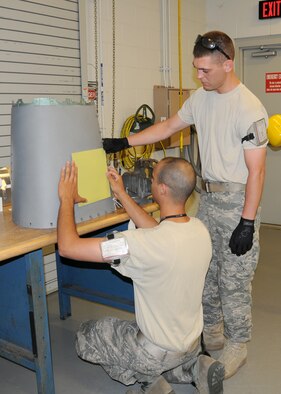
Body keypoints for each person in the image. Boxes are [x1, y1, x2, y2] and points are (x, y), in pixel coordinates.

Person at [102, 31, 268, 379]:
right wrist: (123, 141)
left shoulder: (250, 107)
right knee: (205, 271)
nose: (199, 76)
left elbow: (257, 170)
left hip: (238, 200)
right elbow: (166, 127)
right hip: (207, 199)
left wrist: (248, 221)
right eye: (196, 69)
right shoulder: (201, 97)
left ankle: (238, 343)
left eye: (205, 70)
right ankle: (213, 334)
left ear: (228, 64)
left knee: (234, 279)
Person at [57, 158, 225, 394]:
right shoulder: (199, 229)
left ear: (163, 189)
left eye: (153, 178)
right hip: (191, 342)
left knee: (88, 335)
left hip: (155, 351)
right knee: (160, 349)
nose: (150, 181)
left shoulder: (137, 245)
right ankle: (195, 366)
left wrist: (65, 199)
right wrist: (122, 194)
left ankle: (150, 383)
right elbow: (156, 231)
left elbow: (67, 247)